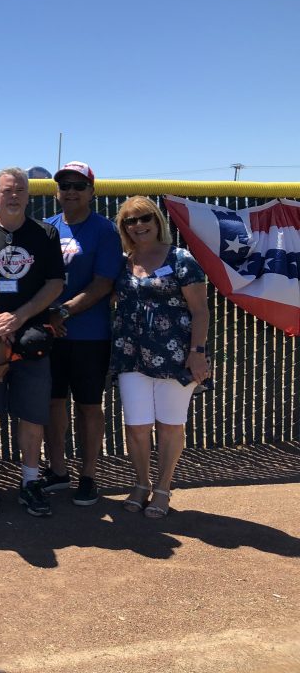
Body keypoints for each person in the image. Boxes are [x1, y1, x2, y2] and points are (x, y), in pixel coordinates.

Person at [0, 168, 65, 517]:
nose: (14, 195)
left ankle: (30, 481)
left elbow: (54, 284)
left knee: (32, 412)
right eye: (7, 190)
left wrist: (18, 316)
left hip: (31, 337)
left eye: (20, 190)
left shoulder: (45, 234)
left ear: (28, 195)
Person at [111, 196, 210, 518]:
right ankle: (141, 483)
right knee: (136, 426)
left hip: (175, 355)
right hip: (131, 355)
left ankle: (163, 488)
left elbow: (200, 311)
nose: (138, 226)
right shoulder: (124, 262)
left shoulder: (181, 259)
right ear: (123, 227)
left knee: (170, 425)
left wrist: (197, 353)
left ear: (157, 221)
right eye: (130, 221)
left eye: (144, 219)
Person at [41, 162, 123, 505]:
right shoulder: (47, 229)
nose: (71, 191)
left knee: (90, 406)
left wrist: (64, 310)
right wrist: (48, 314)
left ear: (92, 191)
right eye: (65, 185)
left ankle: (89, 475)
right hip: (50, 332)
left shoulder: (104, 230)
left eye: (78, 185)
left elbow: (103, 283)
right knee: (52, 403)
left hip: (89, 334)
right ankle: (58, 470)